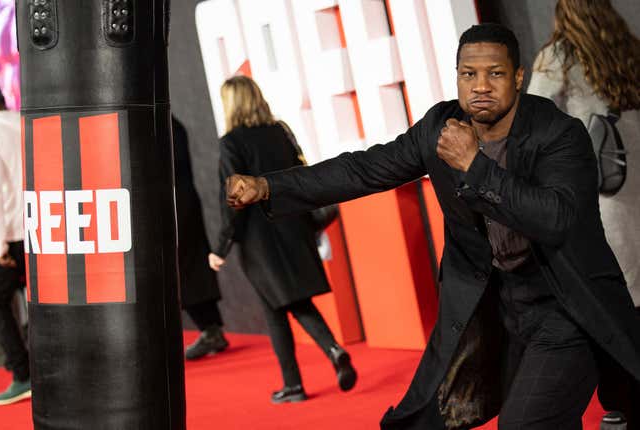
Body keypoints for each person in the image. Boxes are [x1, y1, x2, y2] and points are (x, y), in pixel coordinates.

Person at [224, 24, 640, 429]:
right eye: (468, 74)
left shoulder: (558, 134)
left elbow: (557, 218)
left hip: (567, 306)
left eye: (495, 74)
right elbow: (361, 170)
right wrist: (267, 185)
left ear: (518, 78)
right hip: (498, 308)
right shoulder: (439, 130)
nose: (480, 86)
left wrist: (475, 167)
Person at [209, 76, 357, 403]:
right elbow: (302, 176)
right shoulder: (280, 131)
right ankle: (324, 359)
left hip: (259, 239)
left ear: (230, 103)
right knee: (286, 301)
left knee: (281, 304)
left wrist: (221, 247)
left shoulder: (231, 143)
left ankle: (299, 379)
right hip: (294, 226)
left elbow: (235, 199)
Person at [527, 1, 640, 427]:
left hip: (602, 203)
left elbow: (531, 124)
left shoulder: (559, 57)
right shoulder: (631, 50)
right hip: (638, 197)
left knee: (612, 310)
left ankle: (622, 405)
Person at [171, 116, 228, 360]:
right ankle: (211, 328)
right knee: (190, 265)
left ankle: (210, 329)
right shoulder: (173, 123)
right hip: (182, 202)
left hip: (173, 205)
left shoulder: (162, 124)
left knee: (184, 267)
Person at [0, 85, 30, 406]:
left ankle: (22, 374)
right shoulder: (25, 121)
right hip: (44, 224)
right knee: (44, 300)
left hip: (11, 232)